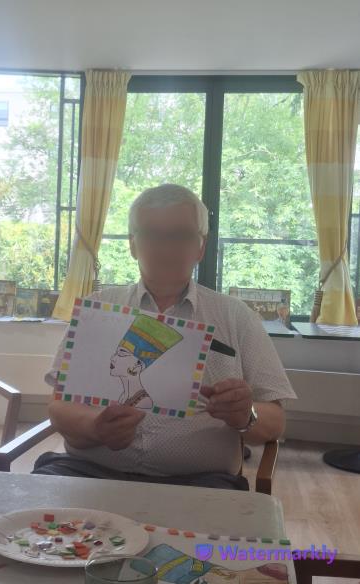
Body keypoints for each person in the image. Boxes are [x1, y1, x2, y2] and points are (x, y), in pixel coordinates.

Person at [33, 184, 297, 490]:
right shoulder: (98, 310)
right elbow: (59, 406)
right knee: (31, 515)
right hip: (88, 473)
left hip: (201, 485)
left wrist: (244, 415)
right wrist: (95, 428)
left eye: (181, 235)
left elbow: (275, 421)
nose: (166, 248)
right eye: (152, 234)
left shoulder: (236, 316)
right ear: (133, 244)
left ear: (201, 247)